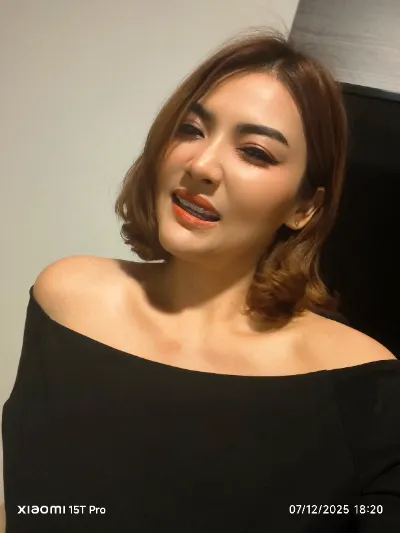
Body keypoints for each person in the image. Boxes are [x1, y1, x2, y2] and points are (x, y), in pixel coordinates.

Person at [2, 28, 399, 533]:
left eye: (255, 152)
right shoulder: (69, 302)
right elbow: (28, 506)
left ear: (305, 207)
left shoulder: (365, 384)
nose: (202, 165)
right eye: (191, 129)